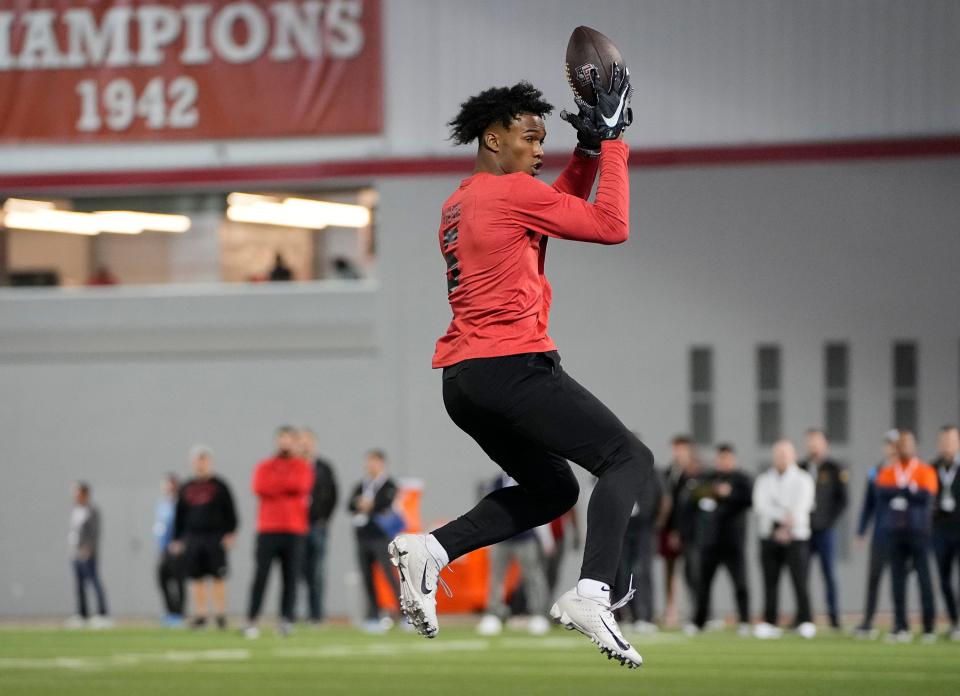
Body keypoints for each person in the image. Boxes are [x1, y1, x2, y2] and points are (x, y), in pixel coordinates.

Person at [387, 73, 651, 669]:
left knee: (555, 489)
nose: (538, 149)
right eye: (529, 137)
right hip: (511, 365)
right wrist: (611, 144)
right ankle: (592, 593)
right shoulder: (508, 196)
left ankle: (430, 548)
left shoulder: (462, 201)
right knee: (628, 459)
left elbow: (548, 204)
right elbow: (611, 225)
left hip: (464, 380)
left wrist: (584, 154)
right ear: (492, 137)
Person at [244, 426, 314, 639]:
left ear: (295, 442)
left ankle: (286, 620)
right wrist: (284, 486)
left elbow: (300, 486)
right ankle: (252, 619)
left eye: (289, 439)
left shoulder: (302, 467)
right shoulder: (264, 466)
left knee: (290, 578)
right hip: (268, 528)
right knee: (261, 576)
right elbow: (260, 487)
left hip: (294, 529)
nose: (285, 443)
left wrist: (278, 486)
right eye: (281, 439)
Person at [875, 430, 938, 642]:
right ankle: (900, 625)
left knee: (924, 578)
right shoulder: (888, 471)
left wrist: (901, 491)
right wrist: (909, 491)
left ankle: (929, 626)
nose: (904, 448)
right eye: (900, 445)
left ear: (915, 446)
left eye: (907, 444)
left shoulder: (924, 470)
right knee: (897, 580)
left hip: (919, 531)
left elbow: (926, 496)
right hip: (895, 531)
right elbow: (882, 494)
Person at [752, 439, 815, 639]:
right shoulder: (764, 479)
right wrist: (781, 519)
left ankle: (805, 620)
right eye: (778, 455)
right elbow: (760, 506)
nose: (781, 458)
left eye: (785, 454)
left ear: (793, 456)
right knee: (770, 581)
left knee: (800, 581)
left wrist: (786, 522)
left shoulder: (803, 479)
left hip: (796, 537)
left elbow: (801, 506)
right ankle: (770, 621)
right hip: (769, 537)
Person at [171, 446, 238, 630]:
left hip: (215, 537)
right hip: (193, 537)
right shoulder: (186, 487)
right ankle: (200, 615)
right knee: (196, 577)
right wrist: (177, 538)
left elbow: (231, 511)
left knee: (218, 576)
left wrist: (231, 532)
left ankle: (220, 614)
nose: (201, 464)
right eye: (198, 461)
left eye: (204, 460)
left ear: (210, 462)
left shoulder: (220, 486)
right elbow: (179, 515)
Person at [476, 474, 552, 637]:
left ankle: (538, 613)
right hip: (501, 537)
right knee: (496, 577)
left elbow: (541, 508)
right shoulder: (496, 482)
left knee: (533, 576)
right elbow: (489, 510)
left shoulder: (529, 479)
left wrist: (546, 539)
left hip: (525, 537)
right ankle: (494, 613)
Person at [692, 443, 752, 635]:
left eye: (726, 458)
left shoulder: (742, 479)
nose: (723, 462)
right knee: (703, 584)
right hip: (711, 540)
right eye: (721, 458)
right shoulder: (709, 478)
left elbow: (749, 499)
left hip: (734, 541)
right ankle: (699, 622)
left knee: (740, 583)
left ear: (733, 459)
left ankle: (744, 621)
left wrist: (730, 494)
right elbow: (696, 495)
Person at [798, 428, 848, 629]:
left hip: (825, 530)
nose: (813, 445)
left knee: (829, 574)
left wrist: (828, 521)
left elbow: (843, 500)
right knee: (801, 576)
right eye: (810, 441)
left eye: (816, 441)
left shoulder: (834, 468)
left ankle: (833, 617)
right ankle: (804, 616)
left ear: (824, 443)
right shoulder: (800, 467)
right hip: (803, 531)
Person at [349, 449, 402, 632]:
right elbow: (349, 504)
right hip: (363, 537)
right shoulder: (361, 485)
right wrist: (360, 504)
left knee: (390, 576)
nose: (369, 466)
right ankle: (373, 614)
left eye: (373, 461)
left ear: (381, 463)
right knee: (367, 578)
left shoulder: (389, 485)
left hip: (381, 537)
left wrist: (369, 505)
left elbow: (385, 503)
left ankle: (405, 614)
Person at [854, 430, 899, 638]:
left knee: (898, 580)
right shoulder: (876, 471)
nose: (892, 448)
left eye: (895, 444)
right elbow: (867, 505)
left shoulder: (908, 469)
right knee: (874, 577)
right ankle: (868, 620)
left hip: (902, 533)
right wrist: (861, 530)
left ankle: (900, 622)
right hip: (881, 533)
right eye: (889, 444)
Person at [613, 465, 663, 633]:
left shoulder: (650, 472)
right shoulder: (617, 471)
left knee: (642, 572)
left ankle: (645, 616)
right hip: (623, 527)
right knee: (622, 573)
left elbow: (660, 500)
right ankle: (628, 615)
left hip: (644, 529)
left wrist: (653, 523)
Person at [297, 427, 339, 625]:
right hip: (295, 527)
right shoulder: (293, 467)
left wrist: (324, 518)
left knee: (317, 572)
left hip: (317, 526)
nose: (305, 444)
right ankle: (293, 614)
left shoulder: (323, 468)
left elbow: (333, 495)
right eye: (302, 441)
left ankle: (316, 615)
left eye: (308, 440)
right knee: (296, 571)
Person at [658, 435, 695, 627]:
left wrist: (679, 530)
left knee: (692, 572)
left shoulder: (695, 473)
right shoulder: (668, 472)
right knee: (669, 571)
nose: (677, 453)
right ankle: (671, 610)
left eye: (681, 449)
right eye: (675, 448)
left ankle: (694, 611)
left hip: (689, 531)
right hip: (669, 529)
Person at [66, 482, 111, 629]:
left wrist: (88, 548)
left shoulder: (92, 510)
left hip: (87, 553)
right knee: (79, 584)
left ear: (85, 494)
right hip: (75, 553)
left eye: (78, 492)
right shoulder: (76, 510)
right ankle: (82, 614)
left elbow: (94, 532)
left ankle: (102, 613)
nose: (75, 496)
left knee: (94, 581)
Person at [931, 425, 960, 640]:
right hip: (940, 531)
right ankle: (953, 621)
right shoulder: (932, 468)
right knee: (944, 579)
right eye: (944, 441)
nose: (947, 445)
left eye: (951, 441)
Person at [154, 473, 185, 626]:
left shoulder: (181, 504)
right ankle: (170, 611)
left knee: (178, 581)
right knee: (162, 578)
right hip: (163, 549)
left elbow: (186, 526)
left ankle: (179, 614)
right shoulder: (162, 504)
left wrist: (181, 543)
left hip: (177, 549)